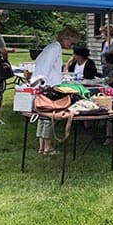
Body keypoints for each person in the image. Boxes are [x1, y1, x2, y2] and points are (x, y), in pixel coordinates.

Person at [32, 26, 80, 155]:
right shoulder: (55, 49)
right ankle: (47, 146)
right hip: (48, 87)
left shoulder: (52, 47)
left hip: (44, 85)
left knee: (43, 116)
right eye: (71, 42)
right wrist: (46, 86)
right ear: (65, 38)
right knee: (50, 116)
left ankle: (42, 146)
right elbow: (46, 68)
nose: (72, 46)